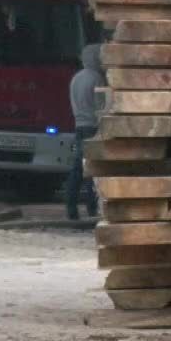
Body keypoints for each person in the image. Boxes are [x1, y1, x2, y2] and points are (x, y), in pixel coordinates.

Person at [67, 43, 103, 220]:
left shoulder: (75, 78)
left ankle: (71, 207)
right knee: (92, 168)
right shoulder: (96, 78)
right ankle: (91, 207)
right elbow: (100, 105)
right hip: (92, 126)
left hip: (79, 125)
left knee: (76, 169)